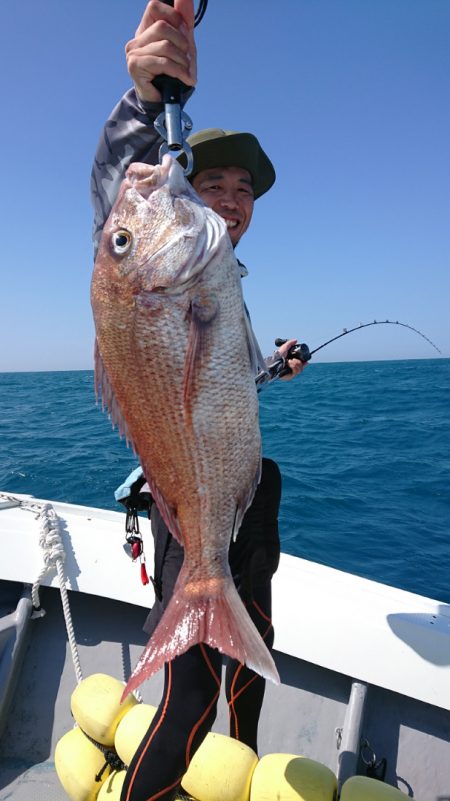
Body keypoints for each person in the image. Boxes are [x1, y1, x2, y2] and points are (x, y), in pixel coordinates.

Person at [91, 3, 305, 800]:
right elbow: (119, 203)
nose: (229, 198)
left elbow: (218, 379)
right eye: (209, 181)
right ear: (183, 183)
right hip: (191, 504)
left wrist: (272, 366)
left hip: (243, 495)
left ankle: (241, 776)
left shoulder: (215, 280)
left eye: (242, 188)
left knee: (255, 654)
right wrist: (144, 104)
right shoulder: (150, 268)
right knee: (187, 695)